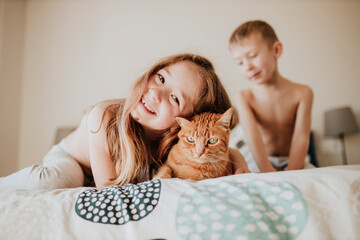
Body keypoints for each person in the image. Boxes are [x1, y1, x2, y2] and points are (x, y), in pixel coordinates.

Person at [0, 53, 249, 190]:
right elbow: (107, 189)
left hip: (114, 173)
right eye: (161, 78)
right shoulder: (103, 115)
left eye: (174, 98)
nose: (155, 93)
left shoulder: (177, 139)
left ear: (184, 125)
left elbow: (209, 144)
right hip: (75, 161)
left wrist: (235, 156)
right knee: (55, 181)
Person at [228, 20, 314, 173]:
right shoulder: (245, 97)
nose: (247, 66)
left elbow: (301, 138)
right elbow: (254, 140)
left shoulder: (303, 93)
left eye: (253, 56)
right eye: (239, 62)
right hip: (261, 162)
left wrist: (292, 172)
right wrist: (268, 172)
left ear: (276, 50)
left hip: (296, 161)